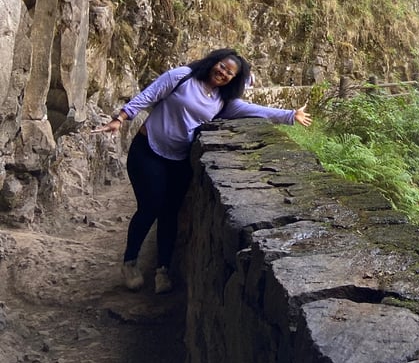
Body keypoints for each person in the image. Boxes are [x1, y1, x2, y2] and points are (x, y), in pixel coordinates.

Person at [94, 48, 312, 294]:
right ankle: (130, 262)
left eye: (229, 73)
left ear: (233, 80)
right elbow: (149, 95)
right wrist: (121, 117)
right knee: (150, 207)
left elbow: (255, 110)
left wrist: (290, 115)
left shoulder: (222, 101)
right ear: (213, 62)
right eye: (222, 66)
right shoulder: (182, 76)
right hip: (148, 149)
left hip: (179, 160)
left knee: (170, 213)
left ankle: (162, 269)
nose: (223, 73)